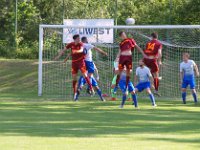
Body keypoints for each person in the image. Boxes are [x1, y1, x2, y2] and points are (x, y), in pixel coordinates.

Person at [54, 34, 94, 100]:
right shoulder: (71, 44)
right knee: (74, 79)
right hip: (74, 64)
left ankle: (91, 88)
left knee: (85, 75)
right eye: (78, 38)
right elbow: (64, 50)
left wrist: (75, 51)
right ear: (75, 39)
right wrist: (58, 56)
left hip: (81, 63)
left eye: (79, 38)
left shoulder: (81, 44)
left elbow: (81, 50)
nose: (79, 39)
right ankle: (75, 93)